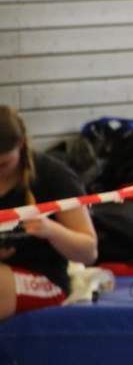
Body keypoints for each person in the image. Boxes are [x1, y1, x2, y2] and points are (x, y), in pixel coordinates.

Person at [0, 106, 98, 320]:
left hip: (46, 279)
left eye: (3, 164)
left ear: (21, 144)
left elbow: (89, 252)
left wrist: (52, 230)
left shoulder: (54, 176)